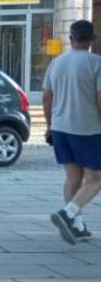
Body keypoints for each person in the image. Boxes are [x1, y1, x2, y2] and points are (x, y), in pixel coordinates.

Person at [43, 20, 101, 244]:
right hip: (88, 129)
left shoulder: (56, 63)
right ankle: (68, 213)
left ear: (71, 38)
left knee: (73, 177)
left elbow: (47, 97)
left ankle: (77, 225)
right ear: (91, 40)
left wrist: (49, 126)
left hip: (60, 128)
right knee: (95, 179)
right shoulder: (96, 63)